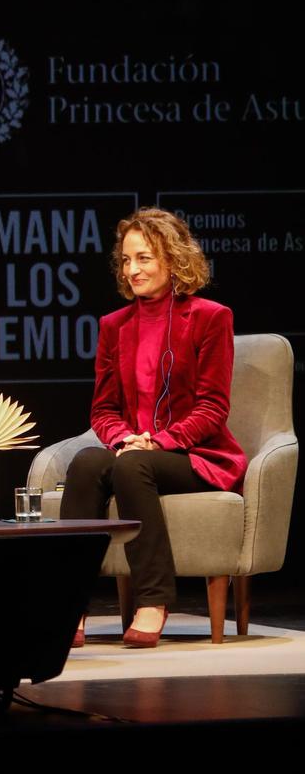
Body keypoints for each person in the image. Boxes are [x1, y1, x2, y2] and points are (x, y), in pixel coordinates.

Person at [61, 209, 244, 650]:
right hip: (134, 450)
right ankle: (68, 603)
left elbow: (213, 407)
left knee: (132, 468)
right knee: (86, 462)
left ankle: (153, 600)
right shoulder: (114, 326)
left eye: (144, 258)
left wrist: (157, 440)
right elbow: (103, 409)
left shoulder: (210, 317)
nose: (132, 269)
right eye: (126, 260)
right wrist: (125, 438)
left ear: (173, 258)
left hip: (194, 455)